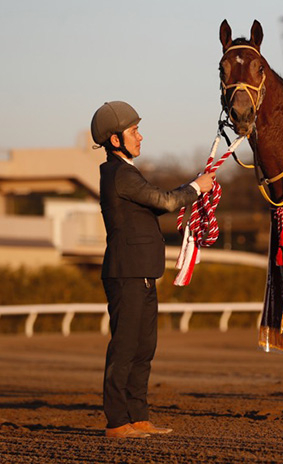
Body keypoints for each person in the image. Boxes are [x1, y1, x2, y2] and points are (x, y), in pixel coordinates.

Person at [91, 101, 215, 438]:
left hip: (141, 273)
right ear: (115, 140)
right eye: (134, 132)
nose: (141, 137)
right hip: (127, 273)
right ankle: (117, 422)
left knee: (144, 349)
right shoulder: (120, 174)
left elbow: (157, 202)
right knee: (125, 348)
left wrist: (193, 187)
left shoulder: (126, 174)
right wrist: (195, 188)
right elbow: (165, 201)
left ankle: (138, 416)